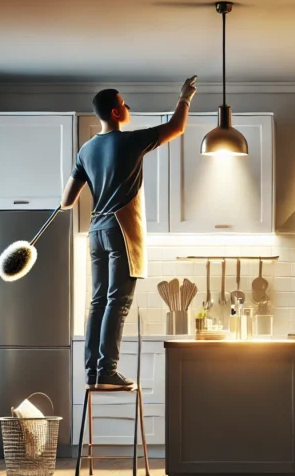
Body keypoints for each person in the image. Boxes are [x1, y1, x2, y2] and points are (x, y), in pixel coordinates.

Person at [61, 77, 197, 387]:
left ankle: (93, 372)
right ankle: (107, 371)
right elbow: (177, 127)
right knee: (117, 302)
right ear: (115, 112)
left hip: (96, 230)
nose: (128, 107)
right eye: (124, 103)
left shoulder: (86, 150)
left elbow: (66, 201)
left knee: (98, 302)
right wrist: (185, 97)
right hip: (121, 228)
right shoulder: (130, 142)